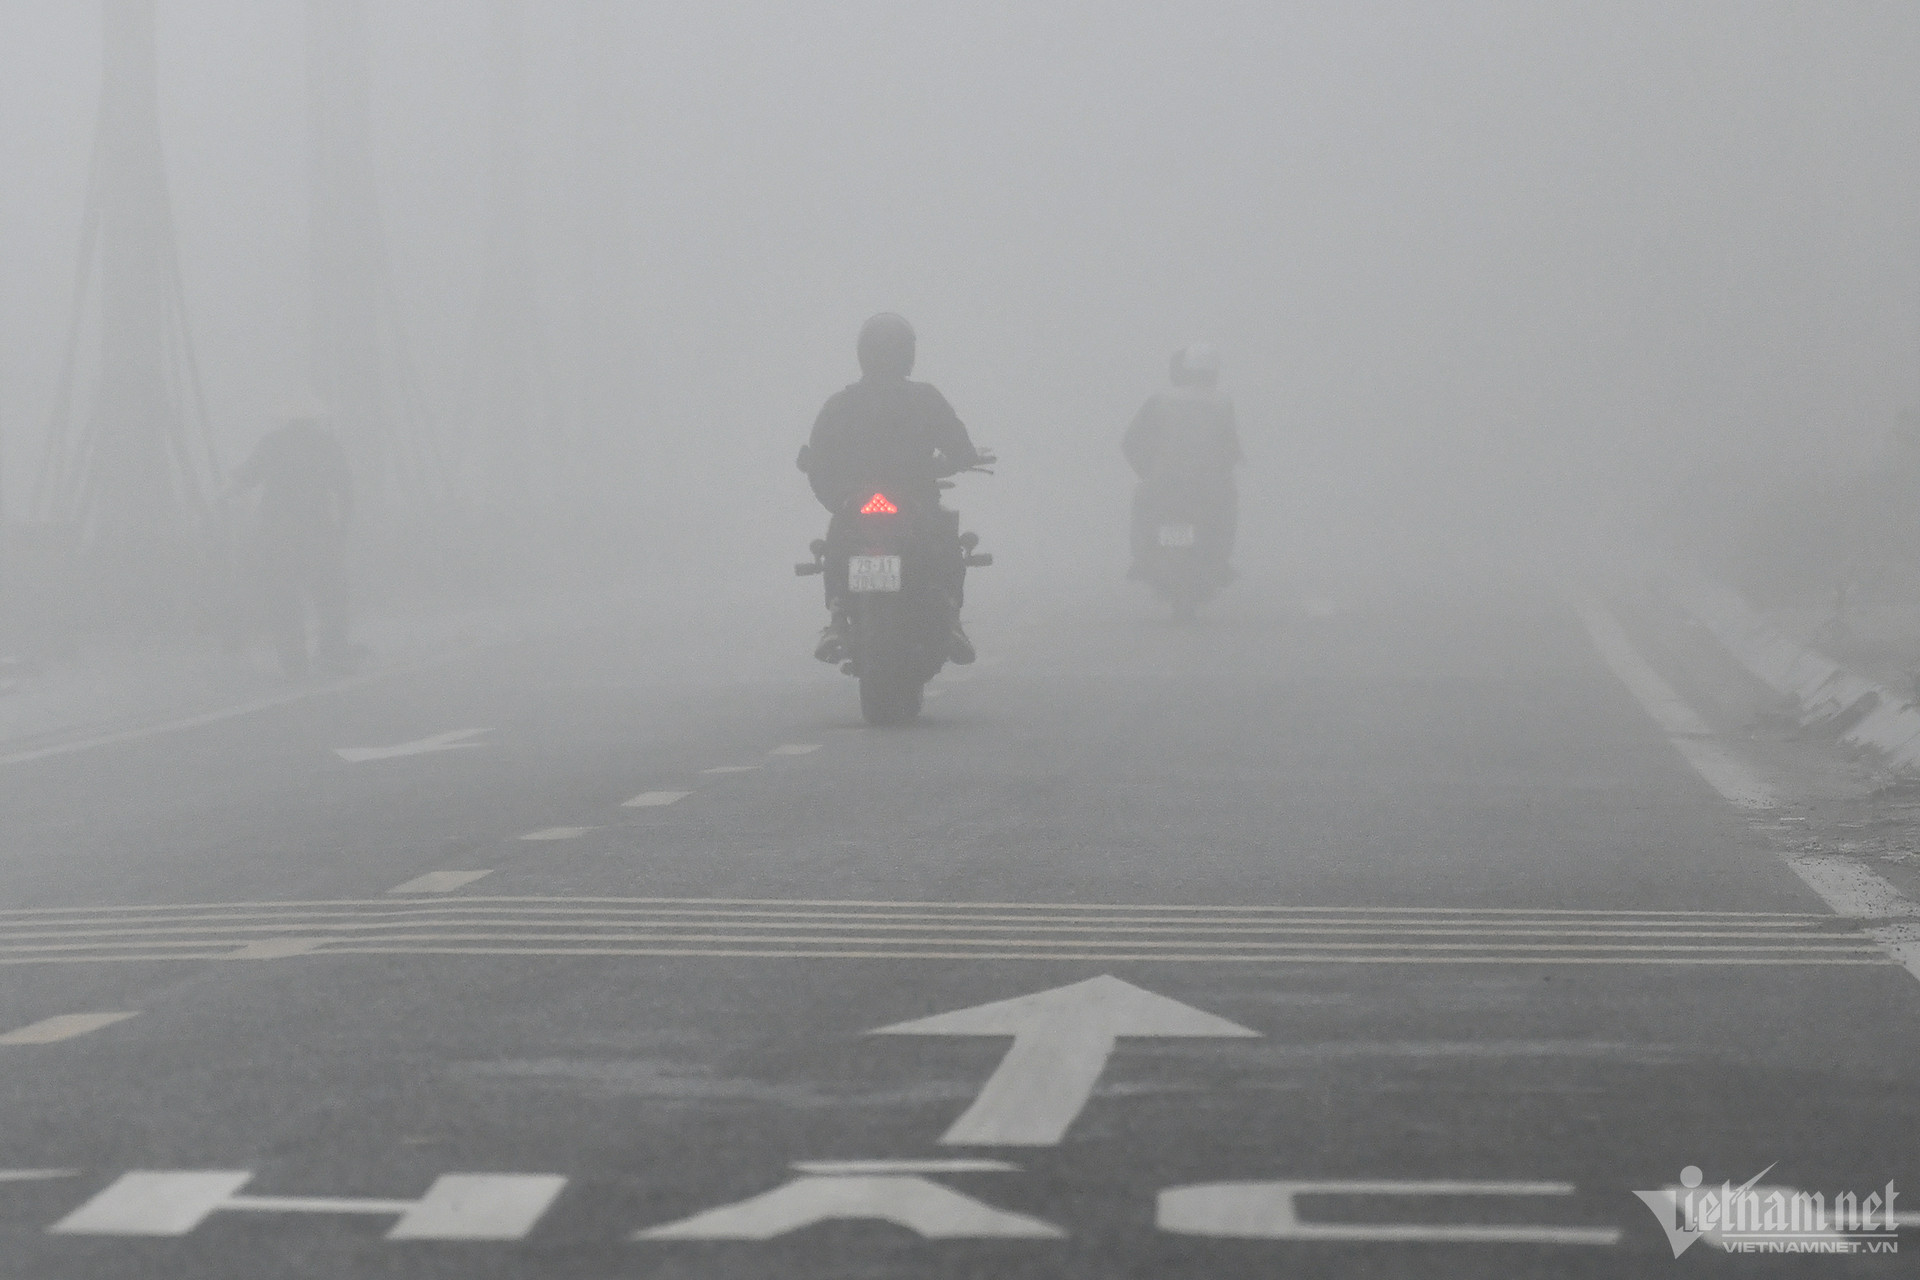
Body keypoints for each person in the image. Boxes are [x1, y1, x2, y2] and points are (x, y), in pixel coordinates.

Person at [799, 313, 983, 664]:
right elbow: (959, 446)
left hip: (856, 501)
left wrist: (840, 498)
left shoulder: (840, 405)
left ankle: (837, 617)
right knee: (946, 541)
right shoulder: (925, 398)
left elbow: (818, 462)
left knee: (838, 539)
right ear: (908, 354)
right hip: (915, 499)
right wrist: (964, 458)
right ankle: (951, 620)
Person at [229, 400, 356, 678]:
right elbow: (345, 488)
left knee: (284, 598)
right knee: (330, 594)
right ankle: (332, 652)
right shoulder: (325, 444)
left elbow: (246, 478)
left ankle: (295, 661)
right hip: (316, 529)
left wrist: (232, 483)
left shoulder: (273, 443)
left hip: (279, 532)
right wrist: (342, 529)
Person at [1123, 343, 1242, 582]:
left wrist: (1146, 471)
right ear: (1213, 373)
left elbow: (1131, 441)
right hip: (1208, 486)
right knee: (1226, 511)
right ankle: (1221, 561)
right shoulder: (1222, 403)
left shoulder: (1159, 400)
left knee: (1142, 508)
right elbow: (1230, 447)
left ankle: (1141, 560)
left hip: (1163, 483)